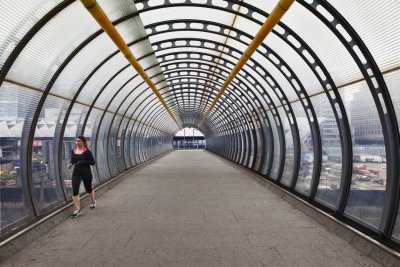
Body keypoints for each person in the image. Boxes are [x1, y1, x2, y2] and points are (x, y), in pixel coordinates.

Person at [67, 135, 96, 218]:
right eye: (76, 141)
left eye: (79, 141)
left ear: (83, 142)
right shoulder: (73, 151)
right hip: (76, 173)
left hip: (86, 172)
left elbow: (92, 162)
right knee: (75, 191)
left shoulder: (87, 151)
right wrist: (70, 164)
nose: (77, 142)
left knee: (88, 189)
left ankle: (93, 201)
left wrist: (82, 161)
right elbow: (72, 160)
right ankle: (77, 210)